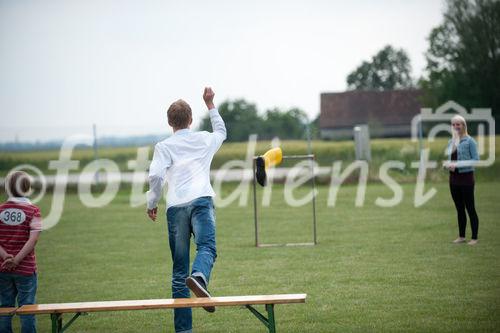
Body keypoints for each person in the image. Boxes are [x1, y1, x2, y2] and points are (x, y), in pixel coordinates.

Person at [146, 87, 226, 333]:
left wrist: (152, 203)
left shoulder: (164, 146)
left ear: (170, 122)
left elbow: (156, 176)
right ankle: (200, 277)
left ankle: (183, 330)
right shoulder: (203, 138)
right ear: (191, 120)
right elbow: (221, 131)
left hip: (176, 208)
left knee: (179, 268)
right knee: (207, 247)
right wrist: (210, 104)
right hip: (201, 201)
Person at [0, 171, 42, 333]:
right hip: (25, 269)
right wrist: (16, 260)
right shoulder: (34, 211)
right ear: (27, 188)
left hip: (2, 268)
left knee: (5, 307)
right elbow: (33, 240)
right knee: (28, 308)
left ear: (8, 189)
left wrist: (6, 257)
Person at [444, 115, 479, 245]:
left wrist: (458, 165)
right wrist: (447, 165)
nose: (455, 127)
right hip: (453, 180)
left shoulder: (470, 141)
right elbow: (451, 159)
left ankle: (474, 238)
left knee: (470, 208)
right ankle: (462, 236)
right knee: (459, 208)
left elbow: (476, 160)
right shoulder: (450, 142)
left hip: (467, 179)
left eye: (458, 124)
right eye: (453, 124)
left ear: (463, 125)